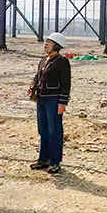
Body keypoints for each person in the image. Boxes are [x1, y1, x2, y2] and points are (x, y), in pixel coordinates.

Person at [28, 32, 71, 174]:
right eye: (46, 41)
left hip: (54, 100)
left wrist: (62, 103)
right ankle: (43, 159)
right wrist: (32, 85)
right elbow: (37, 76)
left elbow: (66, 84)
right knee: (43, 130)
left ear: (56, 46)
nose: (45, 44)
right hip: (41, 99)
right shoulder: (43, 60)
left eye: (49, 42)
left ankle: (54, 161)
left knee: (54, 131)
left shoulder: (62, 62)